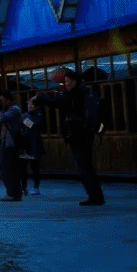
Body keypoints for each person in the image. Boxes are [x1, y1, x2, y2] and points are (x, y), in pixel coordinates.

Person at [32, 69, 105, 206]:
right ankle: (96, 195)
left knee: (83, 167)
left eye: (68, 81)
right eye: (65, 82)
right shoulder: (83, 93)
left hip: (79, 134)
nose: (66, 84)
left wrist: (39, 98)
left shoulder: (75, 94)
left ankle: (95, 196)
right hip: (84, 133)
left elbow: (57, 101)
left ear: (75, 81)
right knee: (86, 166)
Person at [0, 90, 23, 201]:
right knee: (7, 168)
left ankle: (13, 194)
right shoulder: (9, 109)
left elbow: (2, 117)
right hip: (6, 142)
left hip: (11, 143)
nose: (0, 101)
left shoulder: (15, 109)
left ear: (6, 98)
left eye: (1, 98)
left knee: (8, 169)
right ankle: (14, 193)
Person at [20, 94, 45, 196]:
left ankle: (36, 187)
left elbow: (33, 126)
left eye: (32, 105)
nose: (29, 106)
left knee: (35, 167)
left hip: (34, 143)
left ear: (37, 106)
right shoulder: (26, 114)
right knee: (23, 167)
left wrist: (24, 120)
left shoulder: (39, 115)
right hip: (25, 143)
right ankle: (23, 187)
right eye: (28, 104)